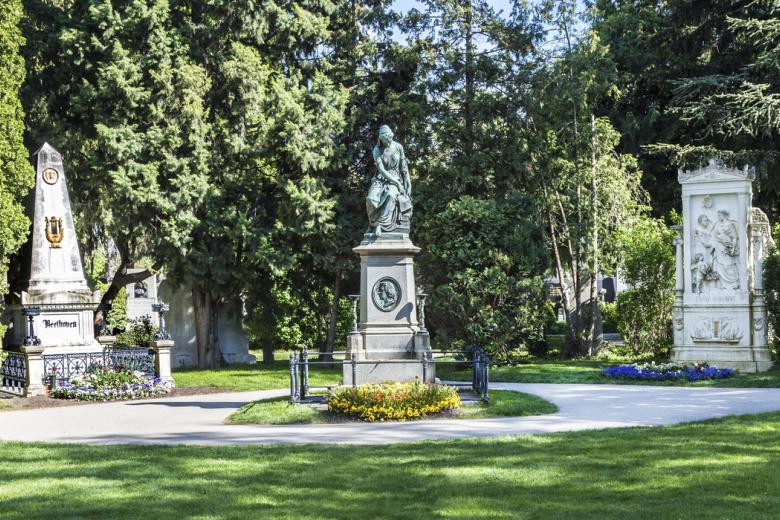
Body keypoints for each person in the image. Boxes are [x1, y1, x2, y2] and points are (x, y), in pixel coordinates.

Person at [367, 125, 412, 236]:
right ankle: (373, 223)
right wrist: (397, 183)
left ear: (391, 136)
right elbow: (381, 170)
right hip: (380, 179)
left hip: (396, 177)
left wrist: (408, 182)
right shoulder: (376, 150)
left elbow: (403, 167)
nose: (388, 143)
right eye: (385, 141)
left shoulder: (398, 147)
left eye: (389, 140)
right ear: (380, 139)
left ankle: (380, 225)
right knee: (370, 199)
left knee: (391, 195)